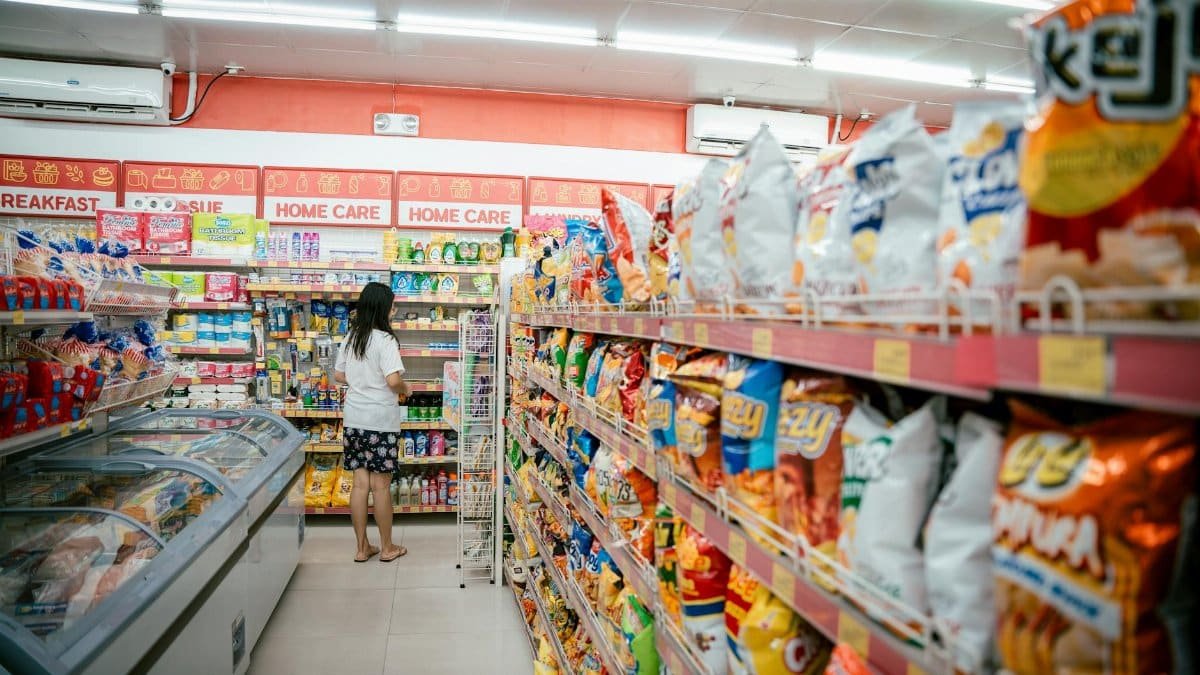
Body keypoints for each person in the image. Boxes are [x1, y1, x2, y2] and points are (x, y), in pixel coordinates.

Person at [333, 281, 411, 563]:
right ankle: (388, 547)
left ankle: (362, 547)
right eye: (392, 305)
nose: (395, 309)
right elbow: (393, 381)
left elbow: (339, 376)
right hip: (380, 420)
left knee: (359, 485)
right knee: (380, 487)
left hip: (354, 418)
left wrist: (361, 379)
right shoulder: (385, 340)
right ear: (382, 308)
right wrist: (406, 388)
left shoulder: (352, 337)